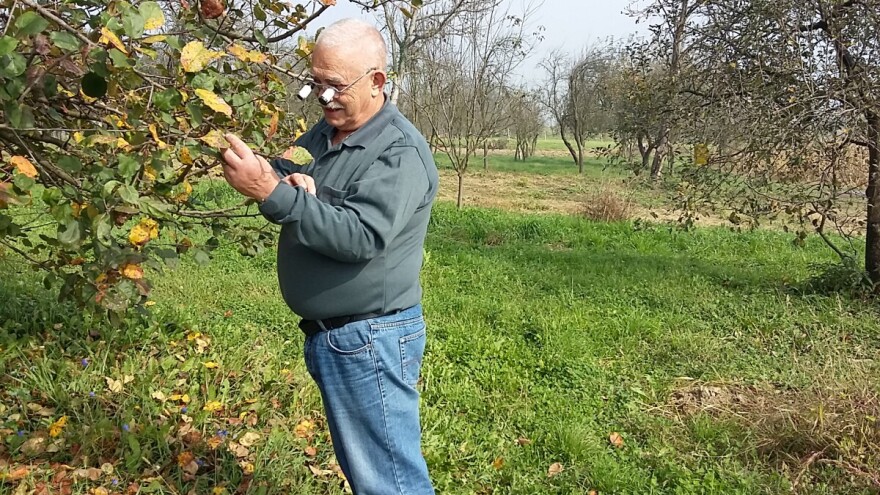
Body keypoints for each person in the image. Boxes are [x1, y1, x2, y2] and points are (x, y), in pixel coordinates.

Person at [218, 17, 438, 495]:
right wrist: (266, 173)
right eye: (315, 83)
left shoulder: (398, 153)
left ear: (377, 81)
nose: (323, 97)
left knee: (390, 482)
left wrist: (274, 194)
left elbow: (361, 236)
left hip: (369, 338)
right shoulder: (323, 133)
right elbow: (287, 177)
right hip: (337, 338)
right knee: (369, 475)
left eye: (335, 85)